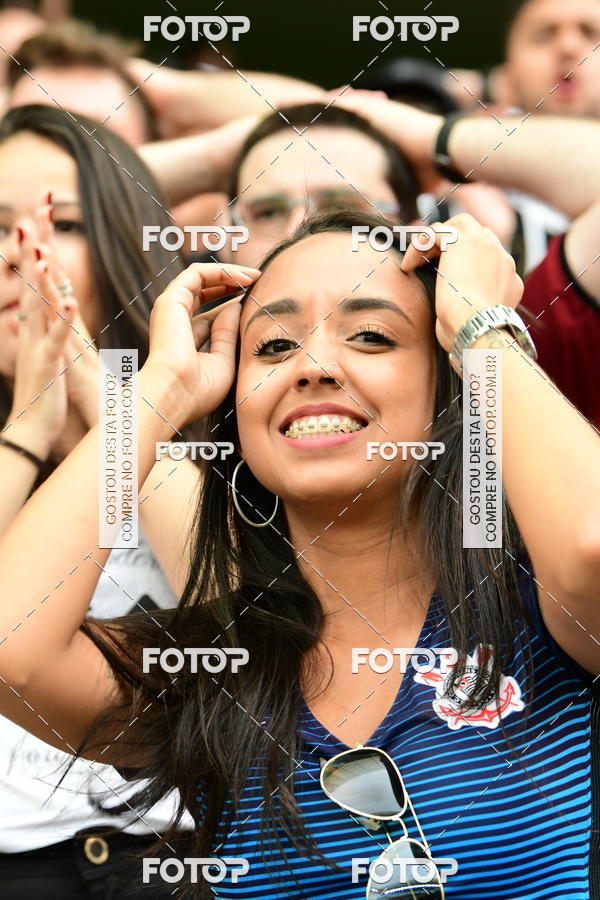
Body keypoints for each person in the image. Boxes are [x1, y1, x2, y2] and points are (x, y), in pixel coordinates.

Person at [0, 206, 597, 898]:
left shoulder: (541, 611)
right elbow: (15, 641)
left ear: (448, 394)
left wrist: (479, 329)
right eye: (275, 347)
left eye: (372, 336)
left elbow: (592, 544)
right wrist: (160, 394)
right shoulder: (208, 674)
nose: (312, 366)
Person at [0, 103, 209, 897]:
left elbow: (247, 611)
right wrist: (25, 430)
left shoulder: (216, 414)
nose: (28, 254)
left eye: (67, 225)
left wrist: (116, 407)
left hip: (181, 856)